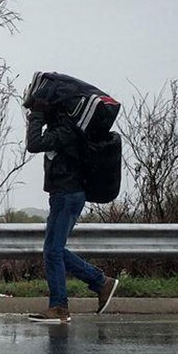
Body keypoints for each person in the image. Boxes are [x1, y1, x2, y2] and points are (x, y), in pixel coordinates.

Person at [25, 107, 119, 323]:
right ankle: (100, 282)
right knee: (53, 250)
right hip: (64, 195)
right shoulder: (63, 129)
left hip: (67, 195)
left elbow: (34, 144)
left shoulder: (65, 132)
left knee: (53, 250)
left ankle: (59, 306)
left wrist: (37, 115)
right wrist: (37, 117)